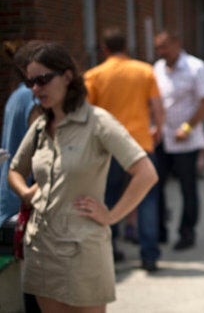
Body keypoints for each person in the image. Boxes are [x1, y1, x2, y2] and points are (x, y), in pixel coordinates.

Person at [8, 42, 157, 312]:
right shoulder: (41, 126)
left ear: (66, 76)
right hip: (41, 250)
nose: (36, 89)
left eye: (42, 80)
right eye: (31, 83)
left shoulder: (98, 122)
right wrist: (26, 193)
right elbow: (15, 170)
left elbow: (146, 173)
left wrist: (111, 216)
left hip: (82, 254)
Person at [84, 27, 164, 271]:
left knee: (108, 198)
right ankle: (149, 255)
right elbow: (157, 106)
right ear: (126, 48)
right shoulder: (144, 70)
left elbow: (86, 114)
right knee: (147, 200)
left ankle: (110, 251)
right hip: (140, 144)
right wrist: (158, 129)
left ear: (104, 49)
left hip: (108, 148)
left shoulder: (94, 75)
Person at [153, 29, 204, 250]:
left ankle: (186, 233)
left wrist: (187, 127)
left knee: (187, 189)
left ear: (177, 43)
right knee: (156, 185)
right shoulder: (157, 68)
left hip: (186, 139)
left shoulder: (195, 67)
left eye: (164, 46)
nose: (161, 52)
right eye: (158, 47)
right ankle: (159, 230)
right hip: (163, 137)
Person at [0, 40, 43, 313]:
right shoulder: (34, 99)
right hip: (24, 208)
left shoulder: (17, 96)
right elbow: (41, 156)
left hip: (9, 202)